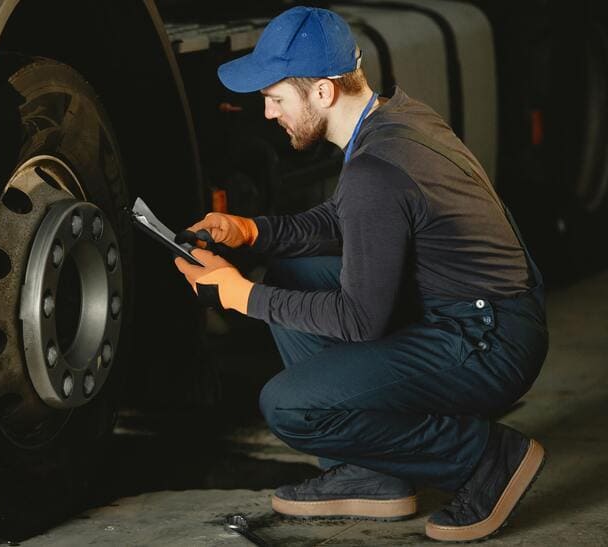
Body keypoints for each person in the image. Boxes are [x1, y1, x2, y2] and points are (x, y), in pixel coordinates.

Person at [173, 6, 548, 543]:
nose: (268, 113)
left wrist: (241, 295)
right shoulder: (394, 119)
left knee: (288, 405)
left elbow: (359, 319)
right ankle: (370, 472)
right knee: (292, 270)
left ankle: (487, 459)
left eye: (275, 98)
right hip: (485, 313)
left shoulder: (376, 169)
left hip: (486, 341)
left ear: (323, 92)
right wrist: (251, 231)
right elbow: (346, 219)